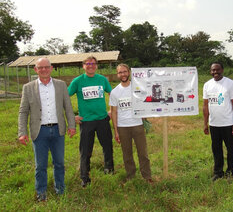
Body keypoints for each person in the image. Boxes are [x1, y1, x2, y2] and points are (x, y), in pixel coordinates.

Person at [18, 58, 76, 202]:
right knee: (41, 165)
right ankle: (41, 192)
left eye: (46, 67)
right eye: (40, 67)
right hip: (39, 131)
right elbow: (23, 111)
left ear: (51, 68)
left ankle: (60, 190)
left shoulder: (61, 85)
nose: (44, 69)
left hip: (58, 130)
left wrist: (72, 125)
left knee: (59, 163)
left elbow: (67, 107)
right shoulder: (28, 87)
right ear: (35, 70)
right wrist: (22, 132)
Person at [68, 56, 114, 187]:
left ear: (97, 66)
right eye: (88, 64)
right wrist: (72, 116)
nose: (91, 66)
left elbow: (113, 94)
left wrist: (111, 110)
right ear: (83, 66)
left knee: (107, 146)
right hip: (86, 121)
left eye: (93, 64)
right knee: (85, 150)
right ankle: (84, 176)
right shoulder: (77, 81)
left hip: (102, 119)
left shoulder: (102, 79)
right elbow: (65, 97)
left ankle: (109, 168)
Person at [109, 64, 153, 183]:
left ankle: (147, 176)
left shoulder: (137, 88)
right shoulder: (115, 92)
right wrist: (116, 131)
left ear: (128, 73)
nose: (123, 74)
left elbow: (145, 103)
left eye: (124, 72)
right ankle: (130, 176)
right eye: (120, 72)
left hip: (137, 125)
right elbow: (114, 112)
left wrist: (145, 119)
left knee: (143, 153)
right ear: (117, 75)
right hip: (123, 127)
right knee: (127, 154)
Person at [203, 62, 233, 181]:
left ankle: (230, 172)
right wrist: (205, 123)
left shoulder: (230, 83)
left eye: (217, 70)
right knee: (216, 149)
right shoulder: (207, 85)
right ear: (210, 71)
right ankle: (218, 172)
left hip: (228, 123)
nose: (215, 72)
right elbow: (205, 105)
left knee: (231, 149)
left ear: (222, 70)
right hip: (214, 124)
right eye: (213, 70)